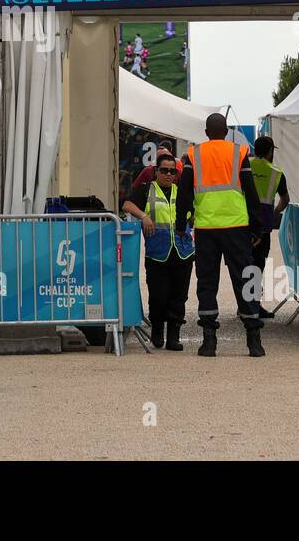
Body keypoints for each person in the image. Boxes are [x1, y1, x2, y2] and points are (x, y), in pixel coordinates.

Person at [175, 112, 267, 358]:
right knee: (244, 279)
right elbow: (251, 191)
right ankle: (254, 341)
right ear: (226, 132)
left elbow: (184, 192)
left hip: (206, 227)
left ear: (206, 133)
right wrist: (257, 226)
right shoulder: (239, 153)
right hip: (236, 226)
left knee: (207, 282)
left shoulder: (194, 155)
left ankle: (209, 342)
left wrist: (180, 223)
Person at [123, 151, 192, 350]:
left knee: (179, 296)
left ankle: (173, 337)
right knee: (158, 295)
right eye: (164, 170)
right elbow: (127, 204)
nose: (169, 174)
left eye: (172, 171)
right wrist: (143, 216)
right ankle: (157, 332)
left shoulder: (182, 191)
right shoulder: (146, 190)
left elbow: (193, 213)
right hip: (157, 252)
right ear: (156, 171)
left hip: (182, 251)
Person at [249, 136, 290, 318]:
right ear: (271, 151)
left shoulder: (245, 167)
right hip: (263, 226)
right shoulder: (276, 172)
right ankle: (253, 306)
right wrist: (274, 213)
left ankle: (244, 305)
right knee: (257, 266)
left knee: (242, 264)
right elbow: (285, 199)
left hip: (242, 222)